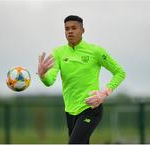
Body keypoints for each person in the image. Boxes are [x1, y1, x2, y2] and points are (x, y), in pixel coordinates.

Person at [38, 15, 126, 144]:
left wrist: (104, 93)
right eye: (67, 29)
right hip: (70, 111)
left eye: (74, 28)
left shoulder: (95, 51)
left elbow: (120, 73)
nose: (70, 31)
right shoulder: (58, 52)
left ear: (83, 30)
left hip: (91, 108)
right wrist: (42, 75)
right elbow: (50, 81)